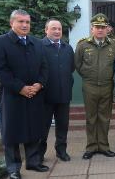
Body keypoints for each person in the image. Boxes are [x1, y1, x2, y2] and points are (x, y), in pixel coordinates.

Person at [0, 9, 49, 179]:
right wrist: (21, 88)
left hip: (34, 94)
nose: (24, 25)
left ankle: (33, 162)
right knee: (12, 133)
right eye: (20, 22)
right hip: (12, 96)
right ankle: (13, 168)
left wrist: (39, 84)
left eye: (27, 22)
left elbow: (44, 67)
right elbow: (0, 71)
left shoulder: (37, 43)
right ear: (12, 23)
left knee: (34, 129)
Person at [74, 13, 115, 159]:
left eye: (103, 27)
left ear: (107, 29)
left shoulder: (114, 45)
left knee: (105, 118)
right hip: (90, 86)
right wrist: (89, 77)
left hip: (107, 86)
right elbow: (78, 64)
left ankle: (104, 146)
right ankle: (91, 147)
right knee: (91, 117)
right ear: (92, 28)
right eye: (97, 27)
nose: (100, 30)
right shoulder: (82, 45)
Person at [39, 19, 75, 162]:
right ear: (46, 30)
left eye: (59, 29)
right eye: (53, 28)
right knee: (42, 127)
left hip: (64, 95)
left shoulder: (67, 48)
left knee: (63, 126)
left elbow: (71, 68)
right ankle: (39, 154)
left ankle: (61, 151)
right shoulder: (39, 46)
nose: (57, 31)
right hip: (45, 96)